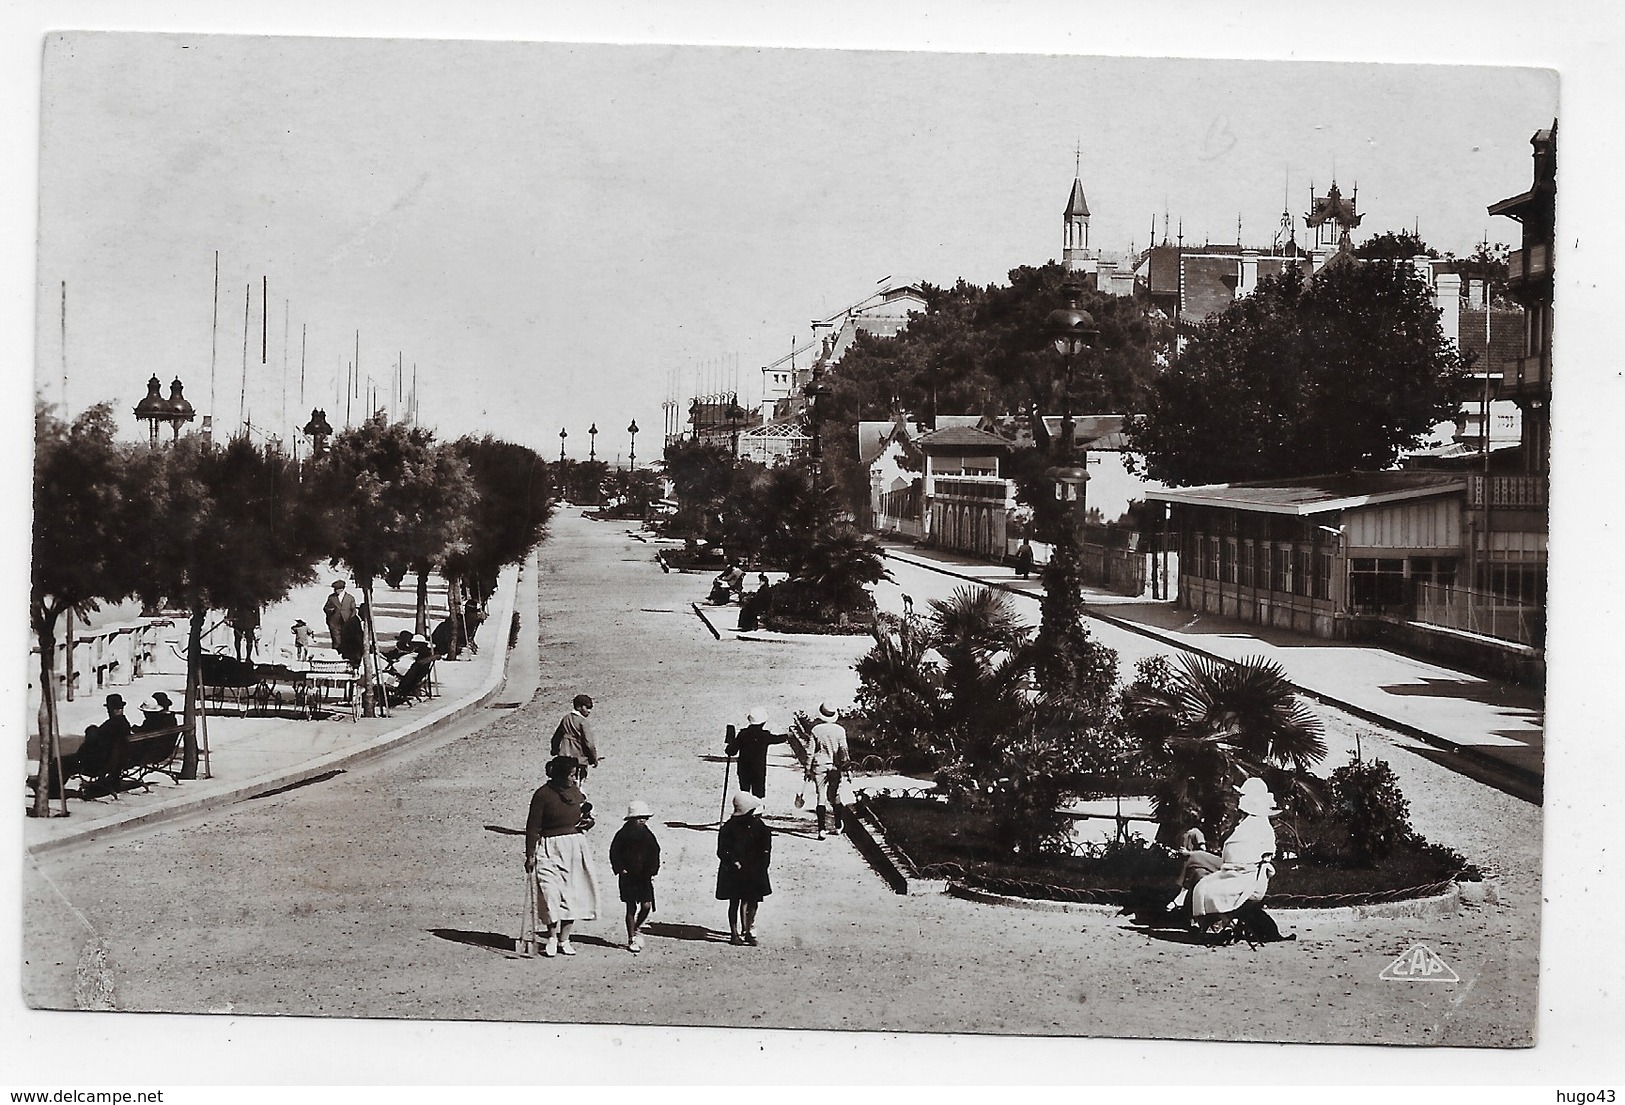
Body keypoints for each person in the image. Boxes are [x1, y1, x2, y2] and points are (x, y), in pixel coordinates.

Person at [524, 756, 602, 957]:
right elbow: (533, 827)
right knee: (550, 893)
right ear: (559, 775)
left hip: (574, 847)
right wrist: (530, 854)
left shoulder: (577, 792)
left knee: (572, 895)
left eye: (576, 775)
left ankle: (564, 939)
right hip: (548, 847)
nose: (574, 779)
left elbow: (586, 818)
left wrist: (588, 823)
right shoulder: (542, 795)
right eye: (571, 775)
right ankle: (551, 937)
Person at [1190, 777, 1281, 936]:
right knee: (1202, 880)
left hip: (1247, 881)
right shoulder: (1251, 826)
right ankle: (1218, 924)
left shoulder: (1252, 827)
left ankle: (1217, 925)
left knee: (1204, 884)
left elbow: (1240, 859)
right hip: (1243, 876)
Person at [716, 792, 772, 946]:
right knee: (734, 902)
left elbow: (766, 848)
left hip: (755, 870)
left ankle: (748, 930)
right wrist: (733, 861)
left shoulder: (761, 828)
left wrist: (762, 865)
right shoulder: (728, 828)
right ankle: (734, 933)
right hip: (734, 872)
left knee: (752, 901)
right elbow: (722, 850)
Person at [609, 800, 660, 954]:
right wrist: (620, 869)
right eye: (639, 818)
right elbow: (614, 853)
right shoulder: (622, 835)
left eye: (645, 817)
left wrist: (653, 869)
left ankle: (637, 927)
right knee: (630, 907)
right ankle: (631, 937)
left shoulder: (648, 835)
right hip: (628, 877)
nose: (642, 820)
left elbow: (655, 853)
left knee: (646, 906)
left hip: (644, 877)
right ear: (631, 819)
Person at [806, 702, 851, 840]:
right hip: (834, 767)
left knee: (821, 797)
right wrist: (847, 768)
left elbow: (810, 752)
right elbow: (843, 750)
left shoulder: (816, 730)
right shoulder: (840, 730)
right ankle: (838, 825)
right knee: (835, 795)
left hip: (819, 765)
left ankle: (821, 830)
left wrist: (807, 769)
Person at [726, 710, 790, 799]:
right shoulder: (764, 735)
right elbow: (777, 739)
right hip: (758, 770)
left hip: (744, 769)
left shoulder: (743, 734)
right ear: (763, 723)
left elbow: (731, 751)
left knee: (745, 793)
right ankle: (758, 811)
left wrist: (730, 743)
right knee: (758, 793)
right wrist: (788, 736)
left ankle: (745, 810)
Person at [551, 694, 600, 781]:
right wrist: (593, 759)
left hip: (563, 756)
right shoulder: (583, 722)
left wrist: (555, 749)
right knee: (578, 782)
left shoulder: (565, 719)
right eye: (587, 708)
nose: (589, 711)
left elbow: (556, 737)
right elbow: (589, 743)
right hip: (578, 758)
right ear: (578, 707)